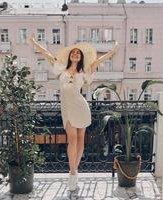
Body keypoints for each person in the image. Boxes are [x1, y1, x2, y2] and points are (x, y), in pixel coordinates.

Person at [31, 34, 119, 192]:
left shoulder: (84, 72)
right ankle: (72, 173)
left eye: (78, 53)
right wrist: (35, 44)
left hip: (81, 106)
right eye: (73, 52)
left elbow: (98, 61)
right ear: (70, 56)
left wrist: (111, 52)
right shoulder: (61, 68)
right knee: (72, 140)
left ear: (81, 57)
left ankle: (74, 172)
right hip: (67, 108)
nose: (75, 54)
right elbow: (48, 55)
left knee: (80, 141)